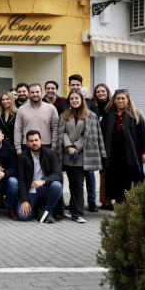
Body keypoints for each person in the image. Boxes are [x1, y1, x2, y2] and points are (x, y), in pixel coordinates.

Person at [57, 91, 106, 223]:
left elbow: (90, 135)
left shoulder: (91, 116)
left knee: (78, 183)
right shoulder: (64, 115)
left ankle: (78, 213)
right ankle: (73, 210)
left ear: (81, 99)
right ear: (69, 101)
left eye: (76, 98)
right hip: (68, 155)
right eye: (71, 98)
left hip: (82, 155)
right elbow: (62, 133)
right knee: (73, 183)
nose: (74, 100)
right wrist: (68, 146)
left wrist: (76, 147)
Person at [101, 89, 145, 204]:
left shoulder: (136, 114)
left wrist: (144, 152)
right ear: (114, 100)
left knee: (130, 179)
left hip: (132, 153)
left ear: (128, 100)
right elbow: (102, 133)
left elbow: (143, 134)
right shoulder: (108, 115)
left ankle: (132, 203)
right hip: (113, 153)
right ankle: (119, 204)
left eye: (123, 98)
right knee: (115, 180)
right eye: (118, 98)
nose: (120, 100)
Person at [17, 130, 63, 223]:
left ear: (40, 140)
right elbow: (21, 180)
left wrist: (43, 181)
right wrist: (25, 200)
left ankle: (48, 211)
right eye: (31, 141)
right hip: (31, 191)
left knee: (57, 185)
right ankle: (38, 210)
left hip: (45, 189)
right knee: (23, 216)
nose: (34, 143)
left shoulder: (51, 154)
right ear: (27, 143)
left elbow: (58, 175)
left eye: (36, 140)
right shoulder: (22, 157)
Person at [14, 83, 59, 154]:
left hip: (46, 145)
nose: (35, 94)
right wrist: (18, 148)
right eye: (32, 92)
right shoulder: (21, 109)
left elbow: (55, 129)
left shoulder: (51, 108)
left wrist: (53, 146)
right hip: (27, 146)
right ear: (28, 94)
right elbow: (18, 129)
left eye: (37, 92)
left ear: (42, 92)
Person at [94, 83, 112, 210]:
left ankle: (116, 199)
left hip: (112, 144)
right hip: (100, 146)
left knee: (113, 172)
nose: (101, 93)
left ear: (107, 92)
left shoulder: (113, 106)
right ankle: (105, 201)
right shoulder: (94, 107)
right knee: (103, 172)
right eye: (98, 92)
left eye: (103, 91)